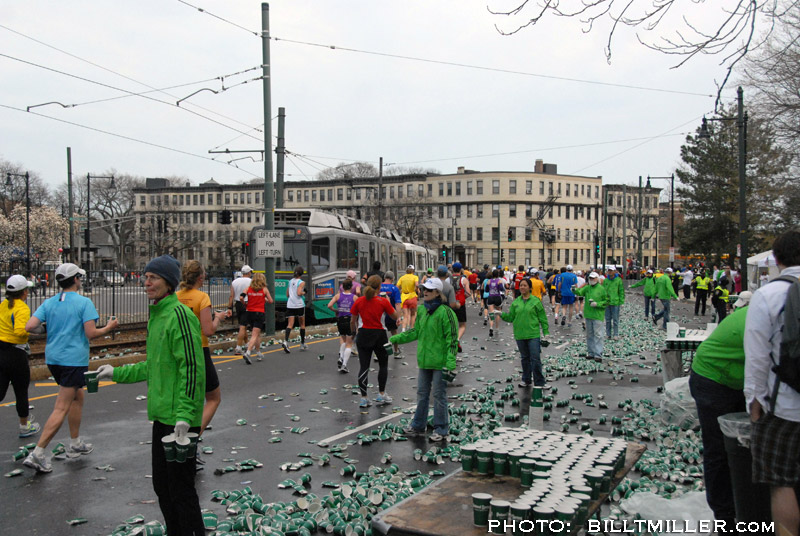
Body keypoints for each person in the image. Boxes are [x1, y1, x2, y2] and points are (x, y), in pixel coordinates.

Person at [97, 255, 206, 535]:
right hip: (161, 416)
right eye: (145, 277)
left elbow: (192, 368)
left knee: (181, 490)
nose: (146, 283)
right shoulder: (157, 315)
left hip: (179, 420)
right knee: (163, 487)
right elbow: (153, 365)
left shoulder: (179, 315)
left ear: (168, 283)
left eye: (152, 278)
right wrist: (116, 373)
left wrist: (185, 416)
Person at [21, 263, 119, 473]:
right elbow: (91, 333)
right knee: (61, 406)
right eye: (79, 278)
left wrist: (48, 328)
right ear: (75, 279)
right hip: (73, 360)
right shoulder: (84, 303)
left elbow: (30, 327)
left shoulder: (50, 302)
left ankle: (75, 443)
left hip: (53, 358)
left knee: (77, 397)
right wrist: (109, 328)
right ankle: (38, 452)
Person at [744, 229, 800, 534]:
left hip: (784, 406)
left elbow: (757, 357)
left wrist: (755, 402)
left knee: (781, 482)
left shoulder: (768, 294)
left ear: (776, 260)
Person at [688, 291, 750, 527]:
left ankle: (740, 502)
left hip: (736, 379)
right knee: (719, 448)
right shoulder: (759, 320)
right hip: (713, 379)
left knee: (742, 448)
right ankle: (725, 516)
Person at [391, 277, 458, 442]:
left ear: (437, 292)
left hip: (440, 362)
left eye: (428, 290)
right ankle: (418, 426)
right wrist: (396, 339)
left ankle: (441, 429)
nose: (424, 292)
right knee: (422, 394)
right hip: (425, 361)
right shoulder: (421, 310)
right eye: (424, 289)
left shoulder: (446, 312)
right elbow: (415, 332)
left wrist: (450, 362)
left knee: (439, 395)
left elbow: (452, 339)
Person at [175, 261, 227, 433]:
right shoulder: (202, 297)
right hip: (198, 351)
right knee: (213, 398)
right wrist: (218, 318)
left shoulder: (175, 297)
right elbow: (208, 330)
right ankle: (192, 437)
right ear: (200, 277)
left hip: (178, 351)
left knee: (183, 397)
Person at [350, 275, 399, 408]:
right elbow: (395, 316)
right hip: (379, 335)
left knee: (364, 366)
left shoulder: (359, 301)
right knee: (383, 365)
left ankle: (364, 397)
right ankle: (381, 393)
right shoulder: (383, 301)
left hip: (363, 334)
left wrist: (354, 333)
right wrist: (388, 301)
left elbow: (353, 320)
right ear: (379, 287)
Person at [0, 275, 39, 438]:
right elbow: (20, 332)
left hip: (0, 351)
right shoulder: (22, 308)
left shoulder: (3, 305)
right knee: (21, 391)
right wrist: (37, 330)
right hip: (16, 354)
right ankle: (24, 426)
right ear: (23, 292)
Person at [500, 278, 549, 388]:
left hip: (533, 334)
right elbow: (510, 318)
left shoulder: (536, 301)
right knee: (525, 358)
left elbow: (543, 319)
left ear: (530, 288)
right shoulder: (516, 302)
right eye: (521, 285)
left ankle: (540, 382)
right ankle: (526, 380)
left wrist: (546, 333)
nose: (522, 287)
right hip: (520, 334)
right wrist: (500, 314)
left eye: (525, 285)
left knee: (535, 358)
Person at [573, 272, 609, 362]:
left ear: (597, 279)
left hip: (597, 315)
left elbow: (607, 301)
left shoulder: (601, 289)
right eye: (590, 278)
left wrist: (597, 304)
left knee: (598, 335)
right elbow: (580, 292)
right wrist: (573, 289)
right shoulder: (588, 288)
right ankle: (591, 353)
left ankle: (598, 354)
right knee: (589, 335)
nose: (592, 280)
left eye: (593, 278)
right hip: (588, 314)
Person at [243, 273, 274, 363]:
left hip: (249, 313)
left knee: (257, 334)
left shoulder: (248, 289)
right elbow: (271, 301)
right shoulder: (264, 289)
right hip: (259, 313)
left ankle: (258, 352)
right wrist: (264, 299)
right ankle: (248, 352)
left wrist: (245, 303)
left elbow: (242, 297)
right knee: (255, 334)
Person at [327, 279, 355, 373]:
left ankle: (341, 358)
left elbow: (329, 305)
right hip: (350, 320)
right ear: (351, 287)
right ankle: (344, 364)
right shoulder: (354, 297)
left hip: (340, 320)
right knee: (349, 343)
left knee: (342, 338)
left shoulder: (338, 296)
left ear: (342, 286)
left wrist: (336, 311)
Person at [228, 265, 252, 355]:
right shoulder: (251, 281)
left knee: (243, 324)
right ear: (249, 272)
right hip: (246, 303)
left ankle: (247, 344)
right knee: (243, 326)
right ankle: (238, 347)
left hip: (238, 304)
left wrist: (229, 308)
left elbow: (231, 296)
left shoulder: (235, 282)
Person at [282, 266, 307, 353]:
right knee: (302, 324)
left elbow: (287, 294)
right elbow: (299, 293)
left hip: (290, 304)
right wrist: (304, 292)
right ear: (301, 274)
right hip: (299, 305)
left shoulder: (290, 281)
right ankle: (302, 343)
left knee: (290, 324)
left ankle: (285, 341)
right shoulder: (302, 282)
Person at [380, 272, 402, 355]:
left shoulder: (379, 287)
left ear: (384, 278)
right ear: (393, 279)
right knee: (394, 333)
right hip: (391, 313)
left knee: (380, 334)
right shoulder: (394, 289)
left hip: (380, 314)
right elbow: (397, 304)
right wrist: (398, 317)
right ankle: (396, 351)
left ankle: (377, 354)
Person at [450, 262, 471, 351]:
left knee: (451, 324)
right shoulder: (464, 280)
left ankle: (450, 340)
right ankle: (457, 339)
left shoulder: (448, 279)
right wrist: (463, 297)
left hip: (450, 304)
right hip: (460, 304)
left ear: (452, 270)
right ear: (461, 270)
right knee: (462, 325)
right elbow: (468, 293)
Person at [602, 266, 625, 339]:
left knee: (615, 319)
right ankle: (608, 334)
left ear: (614, 271)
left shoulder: (618, 280)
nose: (610, 272)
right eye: (609, 270)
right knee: (608, 319)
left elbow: (621, 291)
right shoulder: (605, 281)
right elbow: (603, 291)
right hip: (607, 302)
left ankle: (615, 334)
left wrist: (621, 301)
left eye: (611, 270)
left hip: (615, 302)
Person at [397, 265, 419, 333]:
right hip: (412, 296)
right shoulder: (415, 277)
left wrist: (402, 289)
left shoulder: (402, 277)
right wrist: (416, 289)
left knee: (405, 315)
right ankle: (411, 328)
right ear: (413, 271)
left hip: (404, 297)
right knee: (413, 314)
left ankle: (403, 329)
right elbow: (417, 284)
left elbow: (397, 286)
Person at [485, 269, 506, 339]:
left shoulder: (489, 281)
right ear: (498, 275)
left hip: (490, 297)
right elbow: (502, 289)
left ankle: (491, 327)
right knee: (498, 312)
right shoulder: (499, 281)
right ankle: (497, 328)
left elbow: (486, 290)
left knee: (491, 313)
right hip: (497, 297)